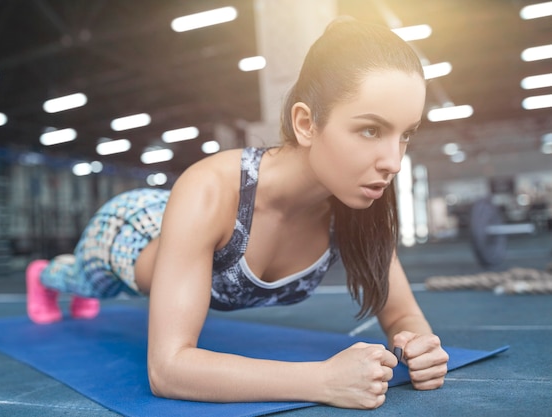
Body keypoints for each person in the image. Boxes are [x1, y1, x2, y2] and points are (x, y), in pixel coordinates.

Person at [25, 16, 449, 410]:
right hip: (132, 230)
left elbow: (401, 314)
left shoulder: (359, 202)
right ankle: (44, 274)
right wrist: (321, 380)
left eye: (405, 134)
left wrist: (419, 344)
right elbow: (168, 369)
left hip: (187, 221)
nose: (393, 161)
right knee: (82, 280)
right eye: (370, 130)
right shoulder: (211, 188)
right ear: (306, 123)